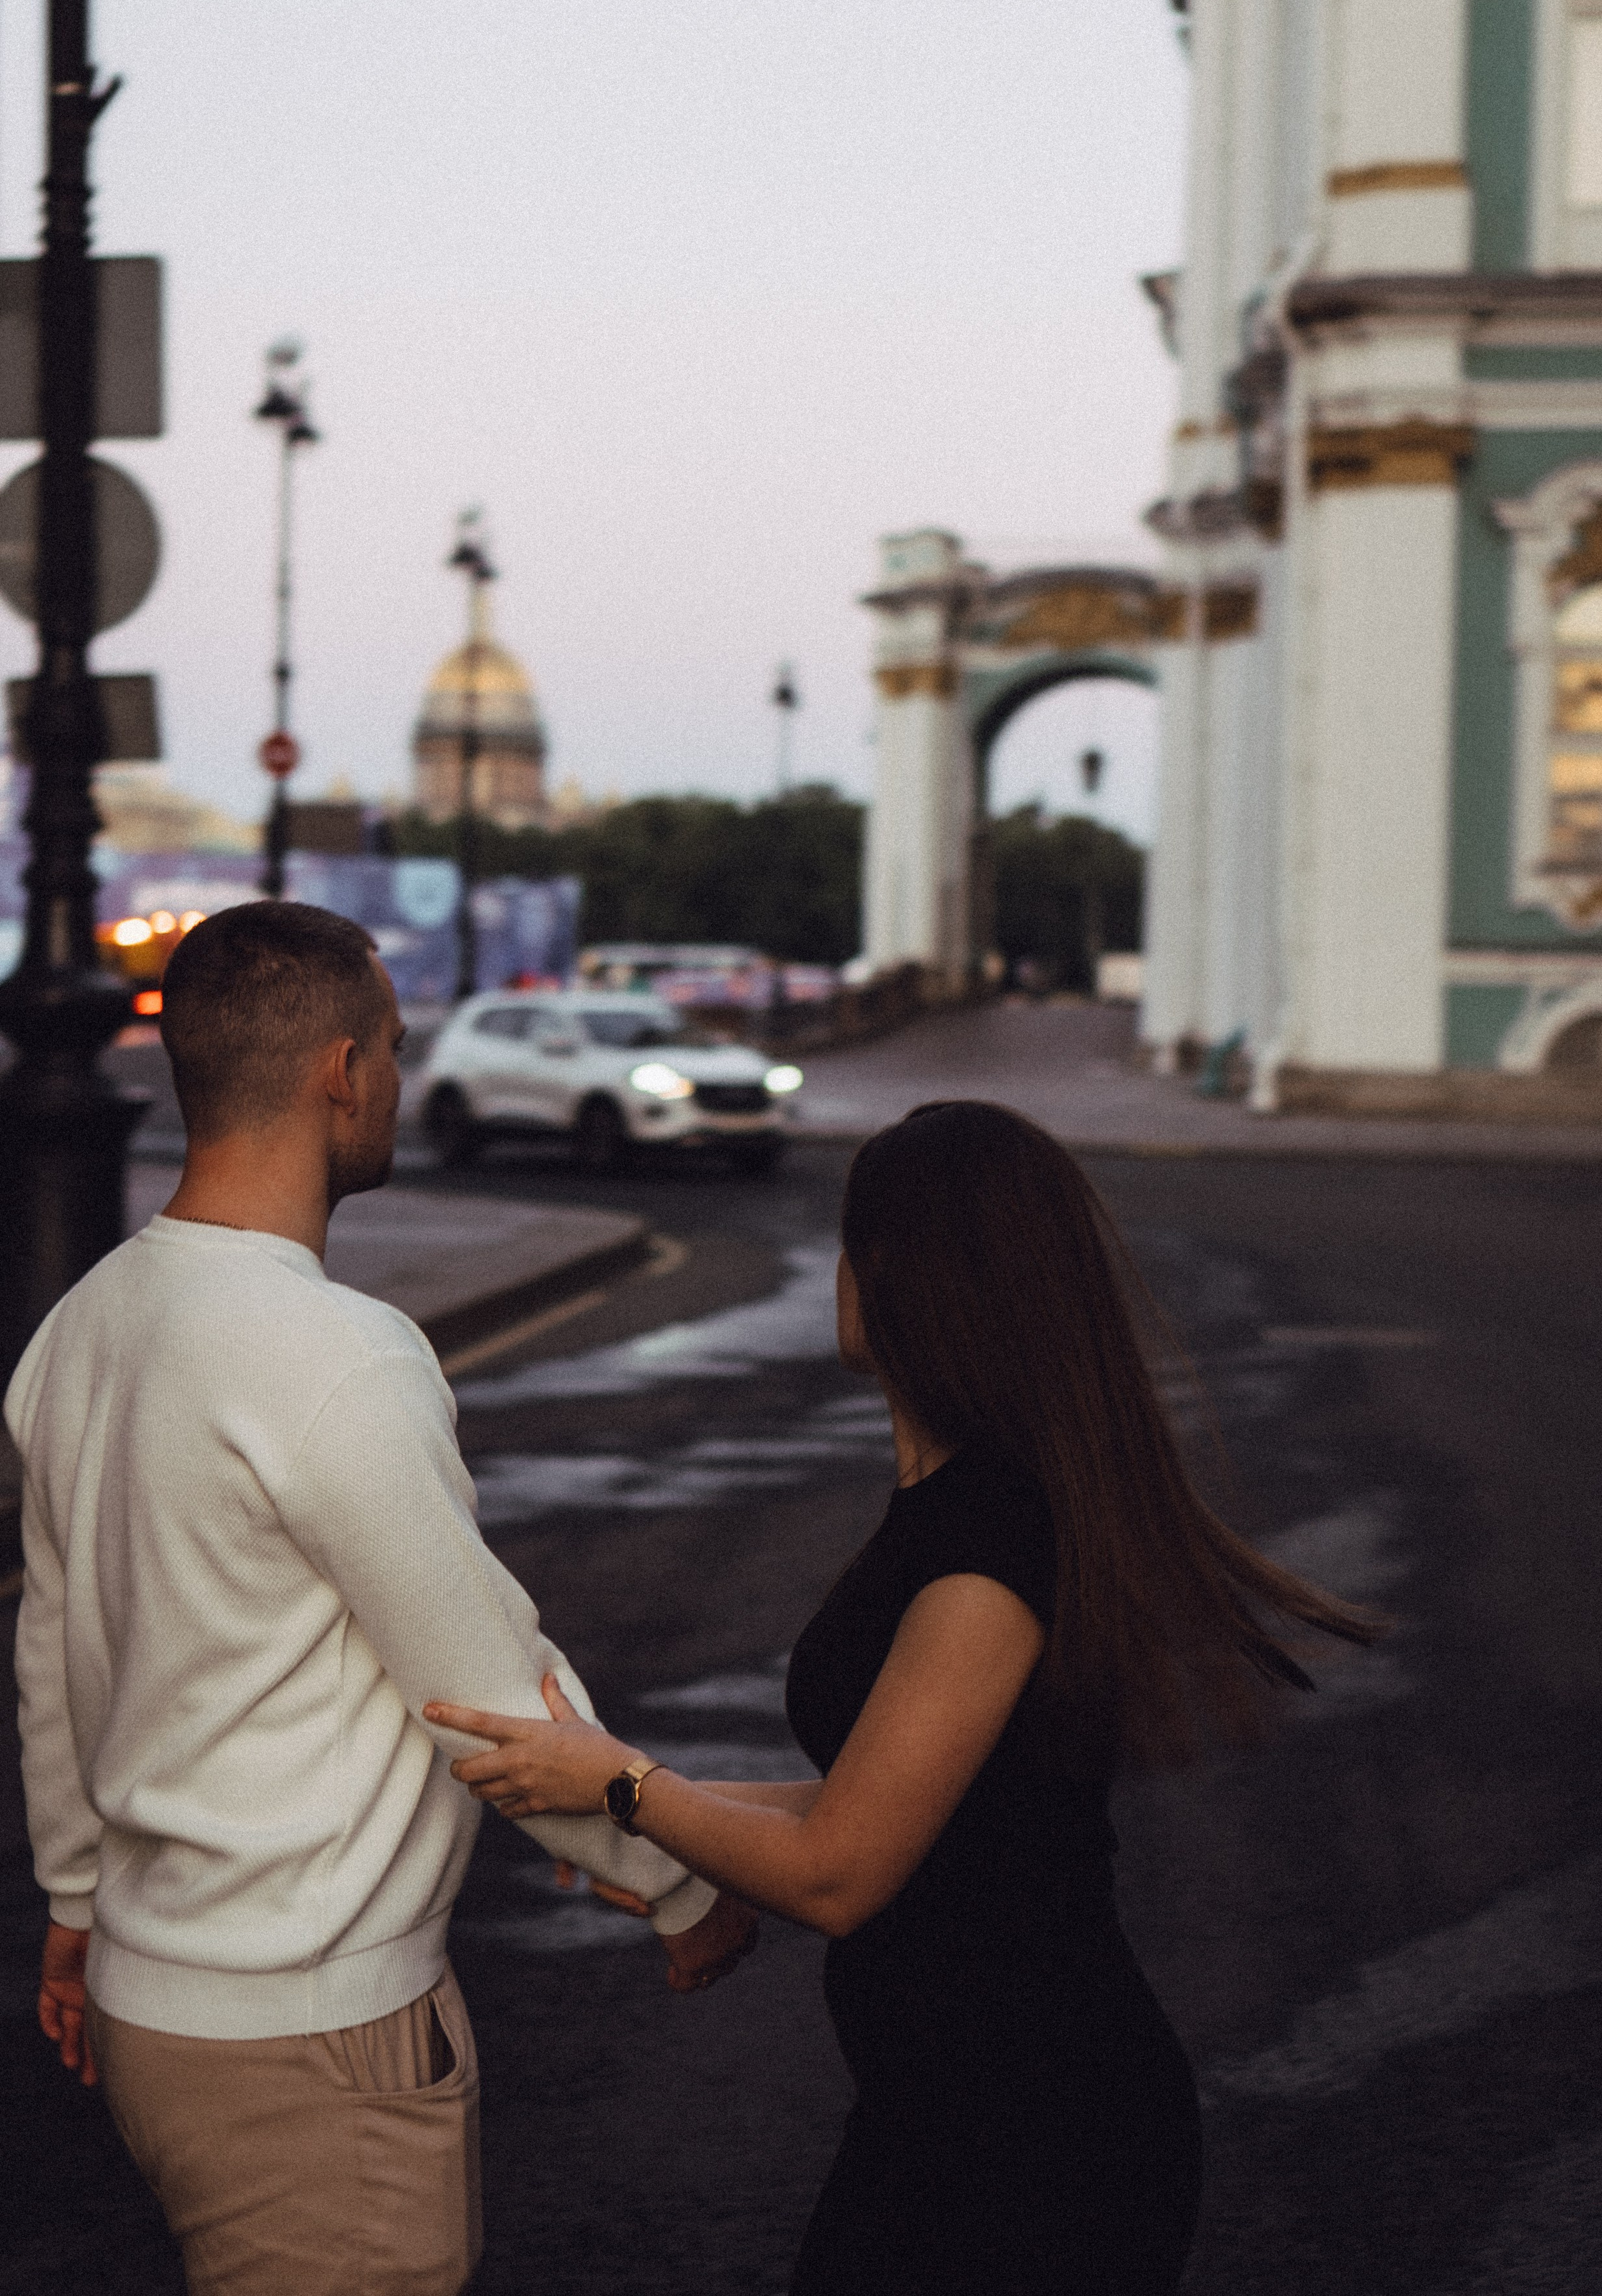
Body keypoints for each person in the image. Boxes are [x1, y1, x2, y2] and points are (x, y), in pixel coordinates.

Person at [427, 1099, 1382, 2295]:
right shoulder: (961, 1506)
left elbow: (841, 1871)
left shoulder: (987, 1544)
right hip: (958, 2112)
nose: (839, 1269)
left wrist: (623, 1786)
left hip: (1037, 2144)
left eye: (852, 1241)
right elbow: (896, 1799)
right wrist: (630, 1799)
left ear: (904, 1276)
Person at [13, 900, 754, 2296]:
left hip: (150, 2006)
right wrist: (669, 1881)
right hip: (309, 2037)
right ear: (341, 1071)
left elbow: (52, 1646)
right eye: (399, 1050)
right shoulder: (337, 1353)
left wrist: (74, 1891)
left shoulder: (85, 1322)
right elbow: (481, 1680)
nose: (402, 1081)